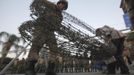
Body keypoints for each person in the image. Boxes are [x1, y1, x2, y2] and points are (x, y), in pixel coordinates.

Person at [23, 0, 68, 75]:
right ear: (58, 3)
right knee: (36, 46)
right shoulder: (50, 6)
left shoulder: (60, 16)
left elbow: (57, 26)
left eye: (63, 5)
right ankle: (29, 68)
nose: (61, 5)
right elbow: (40, 2)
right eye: (60, 3)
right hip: (41, 29)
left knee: (54, 50)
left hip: (50, 32)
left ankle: (50, 69)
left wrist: (55, 26)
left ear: (64, 8)